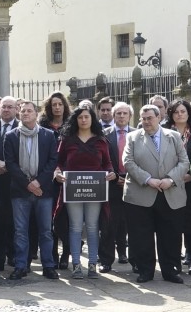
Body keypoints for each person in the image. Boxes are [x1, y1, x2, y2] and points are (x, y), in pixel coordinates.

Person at [122, 104, 189, 284]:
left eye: (150, 118)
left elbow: (184, 162)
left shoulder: (174, 136)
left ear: (159, 118)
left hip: (170, 193)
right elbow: (128, 162)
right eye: (143, 119)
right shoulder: (133, 137)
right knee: (141, 235)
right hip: (141, 193)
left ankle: (170, 270)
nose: (146, 122)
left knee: (170, 234)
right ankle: (145, 271)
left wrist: (171, 179)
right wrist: (147, 179)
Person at [55, 107, 115, 279]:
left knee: (92, 227)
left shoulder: (101, 140)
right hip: (72, 188)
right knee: (75, 226)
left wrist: (111, 173)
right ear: (75, 120)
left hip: (95, 189)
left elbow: (107, 163)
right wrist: (57, 173)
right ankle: (76, 265)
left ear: (92, 119)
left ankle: (92, 265)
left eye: (86, 117)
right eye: (80, 117)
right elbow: (58, 162)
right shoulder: (67, 140)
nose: (83, 120)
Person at [4, 99, 60, 280]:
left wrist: (38, 183)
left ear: (36, 114)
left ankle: (48, 266)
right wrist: (28, 184)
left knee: (46, 231)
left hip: (43, 191)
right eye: (23, 111)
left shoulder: (48, 135)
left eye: (29, 110)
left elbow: (53, 161)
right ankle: (20, 266)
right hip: (20, 191)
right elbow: (10, 164)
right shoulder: (11, 136)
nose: (26, 113)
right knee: (20, 231)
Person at [163, 99, 191, 275]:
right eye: (176, 112)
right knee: (172, 223)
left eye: (183, 111)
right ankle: (174, 260)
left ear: (189, 113)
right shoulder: (163, 131)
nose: (180, 115)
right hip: (170, 183)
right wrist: (174, 177)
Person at [98, 101, 134, 273]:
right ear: (113, 116)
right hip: (111, 184)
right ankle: (106, 260)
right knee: (108, 224)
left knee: (133, 224)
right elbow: (101, 159)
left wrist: (128, 178)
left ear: (130, 116)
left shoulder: (138, 134)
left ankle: (135, 260)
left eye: (125, 113)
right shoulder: (104, 135)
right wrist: (115, 176)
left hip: (134, 184)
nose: (121, 116)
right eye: (118, 113)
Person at [37, 91, 71, 269]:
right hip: (48, 177)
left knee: (66, 219)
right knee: (50, 219)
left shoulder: (72, 125)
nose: (57, 108)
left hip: (67, 177)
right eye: (54, 105)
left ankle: (66, 253)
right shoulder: (43, 126)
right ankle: (53, 255)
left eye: (60, 104)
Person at [0, 96, 18, 272]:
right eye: (3, 107)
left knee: (14, 221)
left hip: (15, 181)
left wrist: (8, 166)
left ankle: (13, 255)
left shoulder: (21, 128)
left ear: (16, 109)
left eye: (10, 107)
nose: (6, 110)